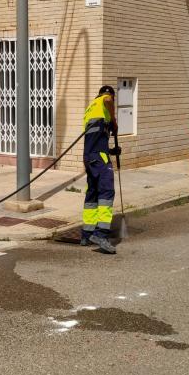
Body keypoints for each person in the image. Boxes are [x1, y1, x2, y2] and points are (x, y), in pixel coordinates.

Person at [81, 85, 120, 254]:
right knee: (106, 193)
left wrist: (112, 151)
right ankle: (101, 235)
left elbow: (95, 139)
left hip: (90, 157)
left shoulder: (91, 108)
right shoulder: (104, 101)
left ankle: (86, 233)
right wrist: (113, 120)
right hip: (99, 158)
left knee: (92, 194)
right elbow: (108, 99)